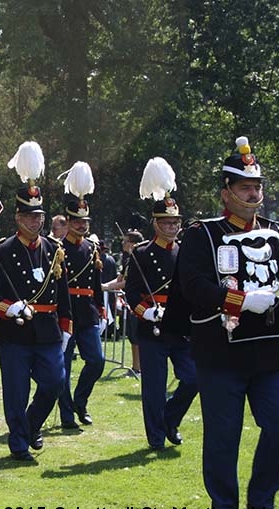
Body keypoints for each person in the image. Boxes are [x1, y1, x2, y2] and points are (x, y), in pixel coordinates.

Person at [174, 136, 279, 509]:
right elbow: (194, 287)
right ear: (226, 192)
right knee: (223, 439)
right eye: (245, 187)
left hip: (269, 355)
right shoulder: (202, 235)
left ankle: (261, 505)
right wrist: (239, 301)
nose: (254, 194)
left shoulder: (276, 233)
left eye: (257, 186)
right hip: (221, 356)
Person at [0, 141, 71, 461]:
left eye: (40, 216)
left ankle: (32, 425)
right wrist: (9, 308)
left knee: (55, 382)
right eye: (30, 216)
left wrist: (66, 326)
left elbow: (63, 292)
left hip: (47, 329)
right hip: (15, 331)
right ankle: (19, 442)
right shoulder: (2, 251)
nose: (36, 222)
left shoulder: (53, 249)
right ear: (18, 217)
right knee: (16, 392)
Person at [126, 157, 197, 450]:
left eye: (175, 222)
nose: (172, 227)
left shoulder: (186, 252)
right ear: (155, 223)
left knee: (193, 378)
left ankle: (170, 419)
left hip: (179, 327)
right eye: (167, 222)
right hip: (152, 328)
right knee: (154, 388)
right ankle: (156, 437)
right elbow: (131, 294)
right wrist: (147, 312)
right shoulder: (141, 253)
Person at [56, 161, 105, 429]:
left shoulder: (92, 249)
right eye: (77, 221)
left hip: (87, 312)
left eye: (85, 221)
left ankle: (80, 401)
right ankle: (66, 415)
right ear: (68, 222)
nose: (82, 225)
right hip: (65, 313)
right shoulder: (57, 248)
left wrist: (101, 309)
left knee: (96, 361)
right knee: (63, 367)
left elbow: (96, 284)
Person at [103, 229, 145, 374]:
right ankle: (135, 367)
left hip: (140, 303)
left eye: (126, 241)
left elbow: (128, 283)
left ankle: (139, 368)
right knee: (132, 336)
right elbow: (120, 278)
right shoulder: (128, 260)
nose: (123, 243)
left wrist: (108, 287)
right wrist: (105, 286)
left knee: (138, 337)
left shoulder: (139, 260)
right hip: (129, 303)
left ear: (134, 243)